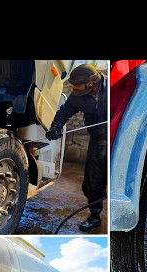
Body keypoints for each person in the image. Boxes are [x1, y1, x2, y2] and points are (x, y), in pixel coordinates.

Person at [45, 63, 107, 232]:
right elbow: (64, 112)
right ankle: (95, 217)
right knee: (92, 183)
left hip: (116, 140)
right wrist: (55, 127)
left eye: (76, 84)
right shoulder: (79, 96)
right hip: (97, 141)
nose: (73, 88)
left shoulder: (111, 89)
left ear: (90, 83)